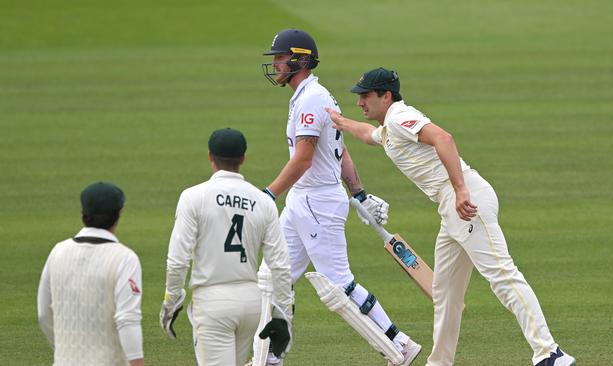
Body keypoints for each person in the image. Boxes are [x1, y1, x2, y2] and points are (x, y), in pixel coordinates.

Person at [326, 67, 577, 366]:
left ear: (387, 95)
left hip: (465, 200)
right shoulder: (389, 128)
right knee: (444, 293)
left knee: (502, 275)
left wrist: (459, 190)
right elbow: (369, 135)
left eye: (366, 96)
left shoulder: (399, 117)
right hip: (451, 209)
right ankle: (439, 363)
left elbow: (443, 138)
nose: (360, 102)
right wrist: (340, 121)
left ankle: (550, 353)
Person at [259, 29, 421, 366]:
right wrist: (358, 193)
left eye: (280, 57)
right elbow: (340, 151)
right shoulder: (310, 95)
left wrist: (267, 194)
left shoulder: (311, 99)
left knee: (339, 287)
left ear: (300, 60)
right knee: (273, 279)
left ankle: (400, 343)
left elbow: (303, 159)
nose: (275, 63)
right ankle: (269, 359)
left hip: (316, 203)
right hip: (304, 201)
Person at [160, 128, 293, 366]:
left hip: (212, 302)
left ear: (210, 156)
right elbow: (280, 264)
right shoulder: (263, 202)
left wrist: (172, 300)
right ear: (243, 158)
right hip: (251, 304)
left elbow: (177, 260)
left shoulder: (193, 197)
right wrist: (283, 315)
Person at [37, 182, 144, 366]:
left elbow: (43, 313)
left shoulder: (57, 252)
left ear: (82, 212)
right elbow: (128, 320)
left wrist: (64, 349)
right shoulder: (125, 258)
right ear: (119, 213)